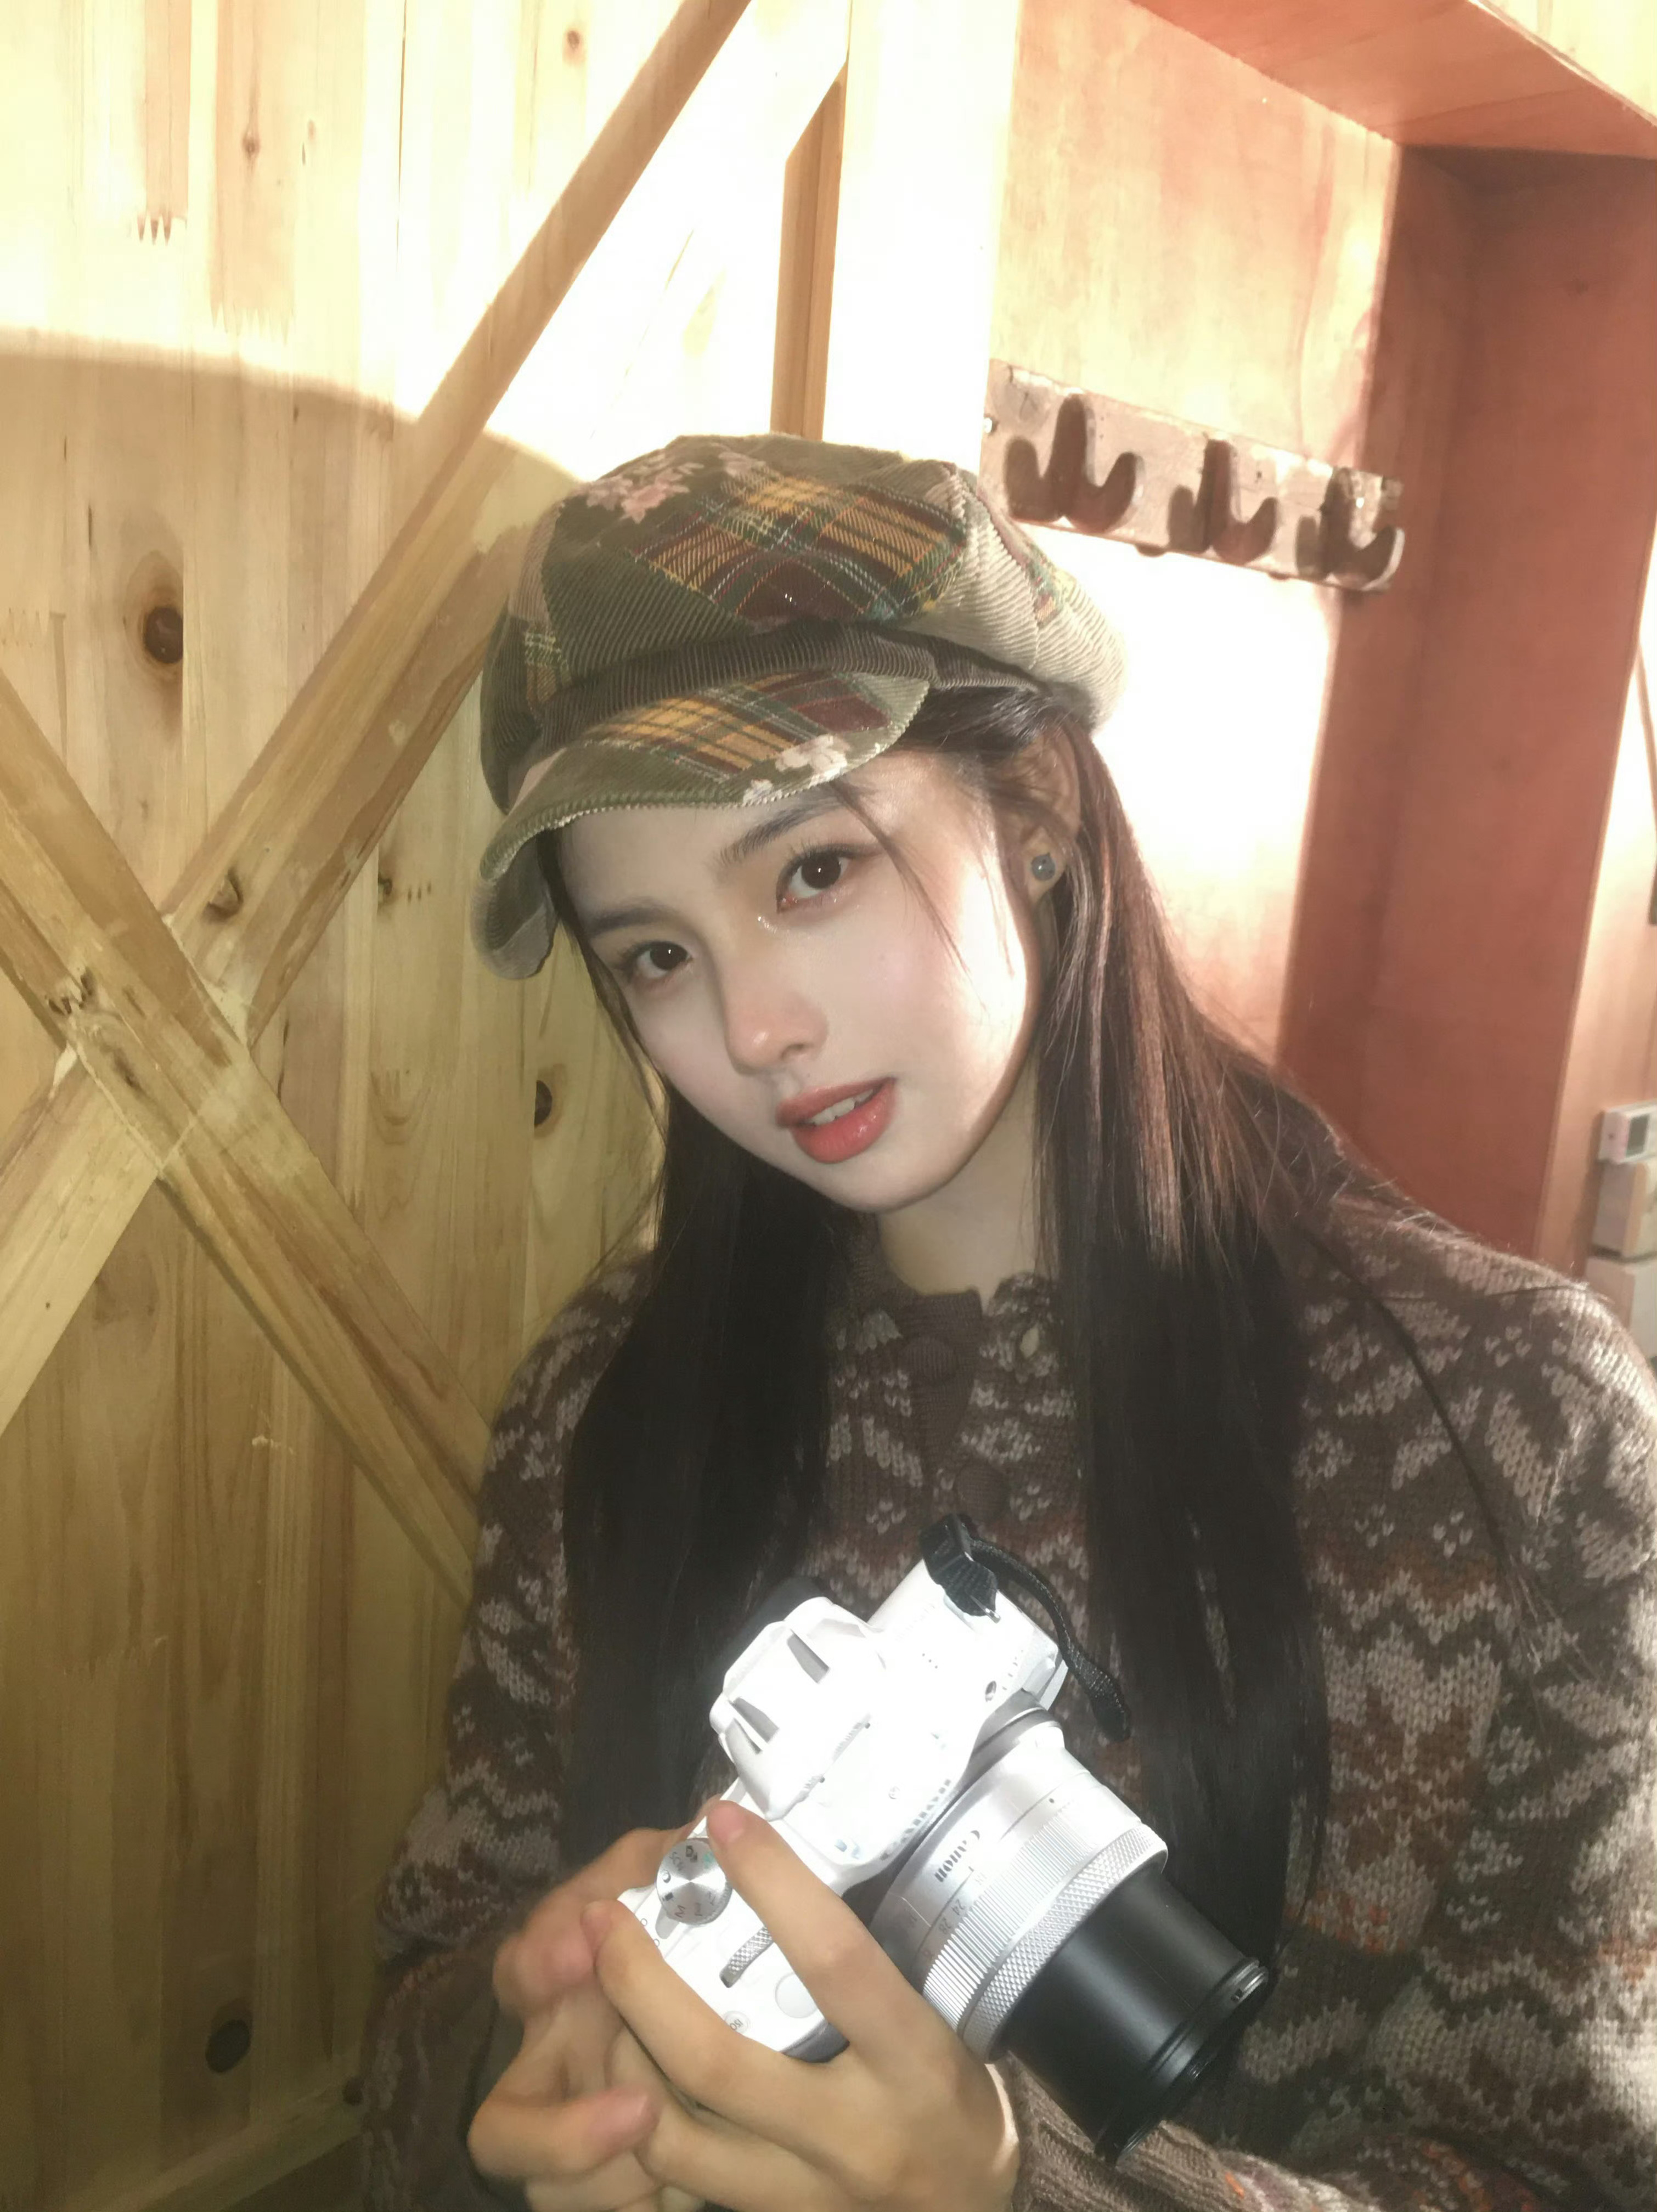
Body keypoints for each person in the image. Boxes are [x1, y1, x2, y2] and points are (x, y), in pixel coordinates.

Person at [359, 435, 1657, 2212]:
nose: (749, 1029)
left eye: (811, 872)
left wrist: (1012, 2190)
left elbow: (1566, 2172)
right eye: (654, 953)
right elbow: (431, 1980)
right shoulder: (606, 1404)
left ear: (1035, 815)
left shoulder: (1509, 1427)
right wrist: (518, 2070)